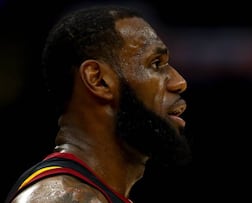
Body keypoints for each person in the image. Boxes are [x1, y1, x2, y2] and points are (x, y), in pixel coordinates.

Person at [5, 4, 192, 203]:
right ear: (98, 80)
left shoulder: (92, 194)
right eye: (156, 63)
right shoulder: (60, 198)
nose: (179, 81)